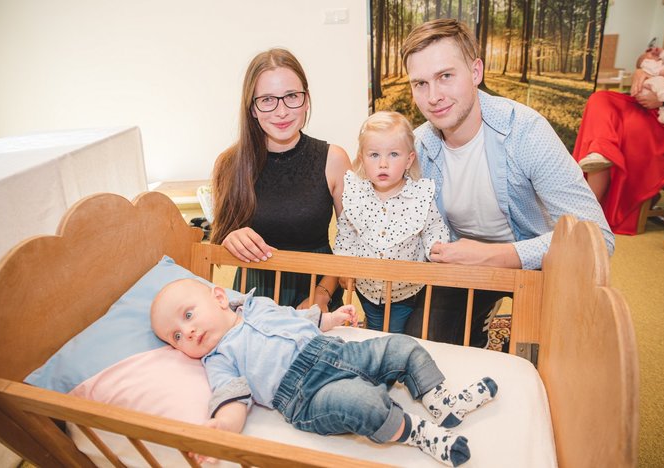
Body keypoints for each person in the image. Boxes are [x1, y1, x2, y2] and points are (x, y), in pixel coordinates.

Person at [399, 18, 614, 346]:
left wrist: (494, 256)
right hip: (461, 263)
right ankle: (479, 316)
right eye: (420, 84)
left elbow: (598, 238)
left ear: (475, 72)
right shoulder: (418, 146)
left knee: (557, 356)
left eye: (445, 76)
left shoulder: (526, 131)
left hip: (537, 262)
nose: (433, 97)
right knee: (422, 346)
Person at [150, 278, 499, 467]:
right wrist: (222, 428)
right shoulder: (219, 357)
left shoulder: (257, 304)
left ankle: (441, 401)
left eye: (188, 315)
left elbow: (296, 318)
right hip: (305, 395)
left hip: (336, 351)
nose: (188, 332)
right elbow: (232, 398)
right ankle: (420, 433)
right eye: (176, 336)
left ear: (218, 297)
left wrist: (330, 319)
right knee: (362, 403)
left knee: (401, 346)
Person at [210, 48, 351, 310]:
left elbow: (352, 245)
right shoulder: (229, 165)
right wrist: (230, 238)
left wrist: (321, 295)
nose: (282, 111)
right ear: (252, 108)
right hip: (253, 303)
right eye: (267, 100)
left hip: (318, 296)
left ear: (306, 100)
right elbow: (219, 241)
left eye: (292, 96)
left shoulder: (334, 159)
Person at [574, 0, 664, 235]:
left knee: (627, 129)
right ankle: (599, 165)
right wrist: (641, 70)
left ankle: (588, 212)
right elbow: (657, 66)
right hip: (656, 106)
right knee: (600, 100)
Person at [333, 111, 449, 333]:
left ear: (409, 160)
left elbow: (434, 228)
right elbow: (346, 233)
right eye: (374, 155)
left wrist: (436, 247)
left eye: (394, 154)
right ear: (362, 158)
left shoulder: (419, 195)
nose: (383, 164)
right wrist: (343, 267)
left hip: (405, 289)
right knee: (375, 327)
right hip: (367, 287)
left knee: (395, 333)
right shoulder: (356, 194)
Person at [639, 48, 664, 125]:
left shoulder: (661, 63)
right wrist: (663, 72)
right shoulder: (646, 63)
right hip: (650, 84)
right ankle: (663, 95)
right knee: (659, 79)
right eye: (649, 53)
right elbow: (653, 70)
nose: (653, 52)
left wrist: (663, 52)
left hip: (662, 86)